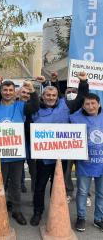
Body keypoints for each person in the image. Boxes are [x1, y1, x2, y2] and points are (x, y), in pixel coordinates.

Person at [30, 72, 89, 226]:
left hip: (61, 157)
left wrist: (83, 82)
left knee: (57, 186)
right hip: (43, 157)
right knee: (40, 186)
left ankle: (54, 211)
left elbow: (81, 98)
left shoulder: (66, 106)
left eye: (53, 95)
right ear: (42, 96)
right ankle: (38, 212)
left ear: (58, 96)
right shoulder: (36, 109)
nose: (50, 97)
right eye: (47, 95)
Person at [0, 79, 39, 225]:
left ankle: (16, 210)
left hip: (16, 154)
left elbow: (35, 106)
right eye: (5, 90)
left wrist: (32, 90)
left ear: (14, 91)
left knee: (16, 184)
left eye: (10, 90)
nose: (8, 93)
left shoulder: (21, 106)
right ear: (1, 91)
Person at [70, 93, 103, 232]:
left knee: (101, 193)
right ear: (83, 106)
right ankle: (81, 217)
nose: (90, 106)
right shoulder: (75, 118)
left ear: (99, 104)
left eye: (93, 103)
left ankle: (98, 219)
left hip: (101, 162)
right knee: (83, 192)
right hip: (85, 163)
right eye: (87, 104)